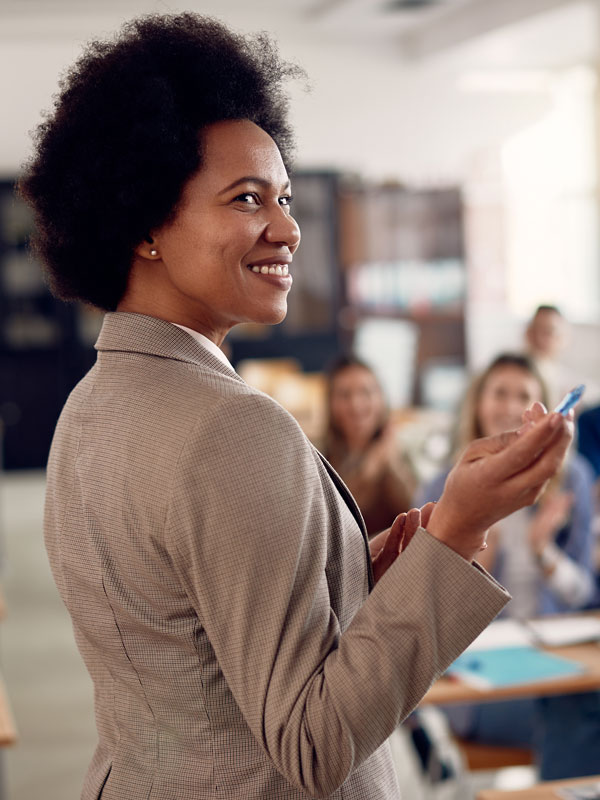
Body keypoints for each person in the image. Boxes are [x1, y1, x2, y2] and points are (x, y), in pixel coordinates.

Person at [19, 14, 574, 799]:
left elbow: (188, 635)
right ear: (145, 223)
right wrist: (458, 530)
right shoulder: (233, 426)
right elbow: (311, 746)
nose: (288, 227)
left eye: (282, 197)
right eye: (248, 200)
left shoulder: (92, 406)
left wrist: (356, 567)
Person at [418, 352, 599, 779]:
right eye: (499, 392)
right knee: (577, 716)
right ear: (478, 402)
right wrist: (478, 558)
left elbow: (585, 596)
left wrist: (544, 553)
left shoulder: (570, 480)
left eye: (524, 395)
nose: (509, 405)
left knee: (576, 707)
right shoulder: (442, 488)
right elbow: (422, 605)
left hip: (558, 661)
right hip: (481, 676)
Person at [324, 355, 416, 538]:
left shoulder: (402, 449)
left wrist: (389, 460)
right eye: (344, 395)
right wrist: (372, 467)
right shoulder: (321, 457)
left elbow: (416, 512)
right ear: (330, 403)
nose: (356, 405)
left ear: (381, 398)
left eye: (366, 392)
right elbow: (337, 524)